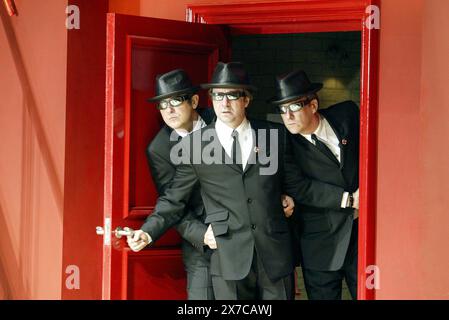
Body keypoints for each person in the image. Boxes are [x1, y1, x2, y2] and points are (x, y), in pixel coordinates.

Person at [127, 62, 298, 300]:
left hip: (274, 254)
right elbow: (173, 198)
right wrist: (147, 232)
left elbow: (294, 182)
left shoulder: (273, 135)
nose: (224, 103)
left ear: (246, 100)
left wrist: (289, 197)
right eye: (218, 96)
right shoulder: (194, 147)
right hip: (227, 253)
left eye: (232, 95)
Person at [268, 70, 360, 300]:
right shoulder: (284, 143)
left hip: (363, 236)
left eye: (294, 107)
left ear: (313, 105)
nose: (287, 116)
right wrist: (349, 199)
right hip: (320, 243)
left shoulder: (348, 114)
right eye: (282, 109)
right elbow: (299, 186)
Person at [140, 69, 215, 299]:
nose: (169, 110)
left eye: (175, 100)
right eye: (162, 104)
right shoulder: (159, 149)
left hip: (243, 235)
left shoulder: (221, 119)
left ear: (193, 101)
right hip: (201, 246)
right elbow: (172, 201)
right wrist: (203, 235)